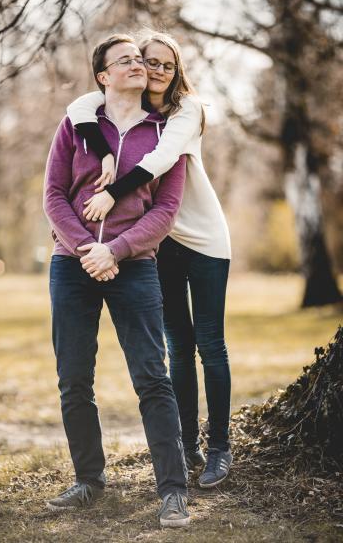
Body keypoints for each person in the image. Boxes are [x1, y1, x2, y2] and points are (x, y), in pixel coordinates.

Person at [67, 31, 233, 489]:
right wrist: (101, 150)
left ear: (177, 69)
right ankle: (187, 445)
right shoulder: (131, 112)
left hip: (203, 240)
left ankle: (220, 447)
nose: (155, 70)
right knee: (177, 347)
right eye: (147, 61)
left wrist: (110, 194)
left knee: (209, 344)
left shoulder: (186, 111)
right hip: (158, 243)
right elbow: (79, 107)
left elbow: (160, 160)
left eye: (164, 64)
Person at [43, 33, 190, 527]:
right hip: (73, 265)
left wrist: (117, 250)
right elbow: (53, 196)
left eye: (139, 59)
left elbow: (166, 208)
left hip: (135, 266)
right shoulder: (77, 124)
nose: (136, 64)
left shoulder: (166, 133)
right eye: (123, 60)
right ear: (103, 76)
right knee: (73, 379)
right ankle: (89, 480)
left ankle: (172, 490)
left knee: (153, 376)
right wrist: (88, 250)